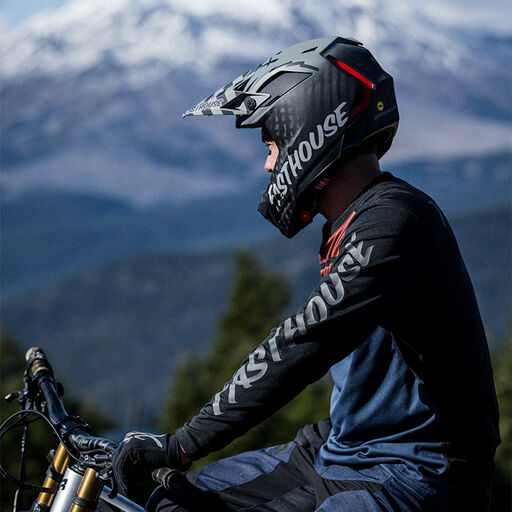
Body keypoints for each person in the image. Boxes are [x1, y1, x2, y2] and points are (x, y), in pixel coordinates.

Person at [112, 36, 500, 511]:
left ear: (312, 130)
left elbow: (302, 342)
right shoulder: (354, 220)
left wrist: (181, 444)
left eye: (271, 143)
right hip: (341, 450)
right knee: (168, 503)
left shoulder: (394, 222)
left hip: (418, 472)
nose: (268, 163)